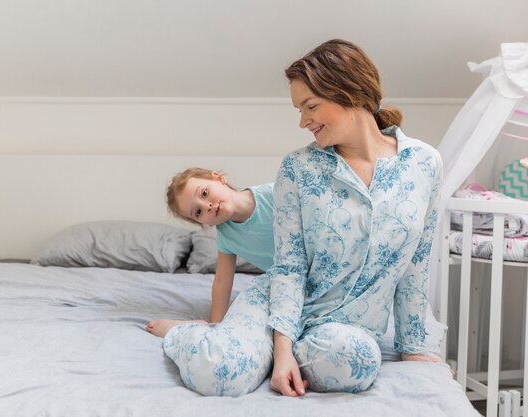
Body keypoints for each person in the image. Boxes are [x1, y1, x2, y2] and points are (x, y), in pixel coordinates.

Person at [160, 39, 443, 397]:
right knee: (221, 375)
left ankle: (275, 352)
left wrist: (413, 349)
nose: (302, 121)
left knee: (355, 363)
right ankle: (187, 334)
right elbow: (289, 266)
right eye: (299, 109)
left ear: (350, 92)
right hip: (277, 305)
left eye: (310, 106)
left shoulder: (424, 164)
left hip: (347, 330)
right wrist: (281, 352)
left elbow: (415, 265)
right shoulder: (298, 168)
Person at [145, 167, 275, 337]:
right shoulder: (226, 238)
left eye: (204, 193)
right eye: (198, 212)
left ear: (218, 178)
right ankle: (197, 330)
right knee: (250, 327)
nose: (207, 206)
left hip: (315, 273)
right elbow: (222, 280)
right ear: (204, 223)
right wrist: (217, 324)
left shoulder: (275, 194)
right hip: (290, 284)